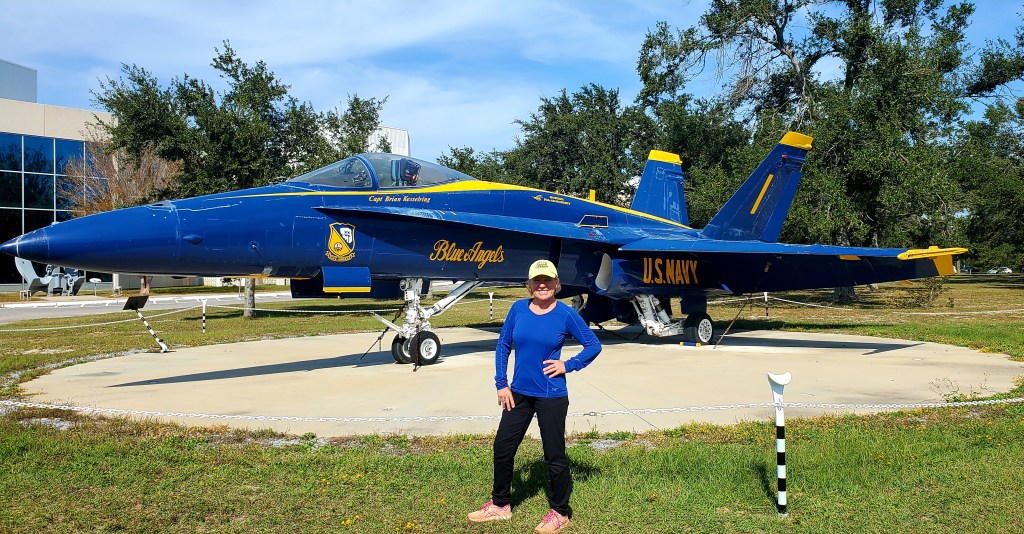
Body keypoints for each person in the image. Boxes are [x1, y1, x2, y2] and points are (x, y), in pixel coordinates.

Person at [467, 259, 602, 533]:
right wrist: (501, 383)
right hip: (518, 393)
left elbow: (593, 345)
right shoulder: (518, 309)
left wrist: (568, 365)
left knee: (554, 454)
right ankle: (500, 505)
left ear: (557, 284)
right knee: (503, 448)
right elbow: (503, 345)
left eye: (547, 280)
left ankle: (560, 512)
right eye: (537, 281)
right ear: (529, 285)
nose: (542, 285)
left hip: (551, 395)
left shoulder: (565, 314)